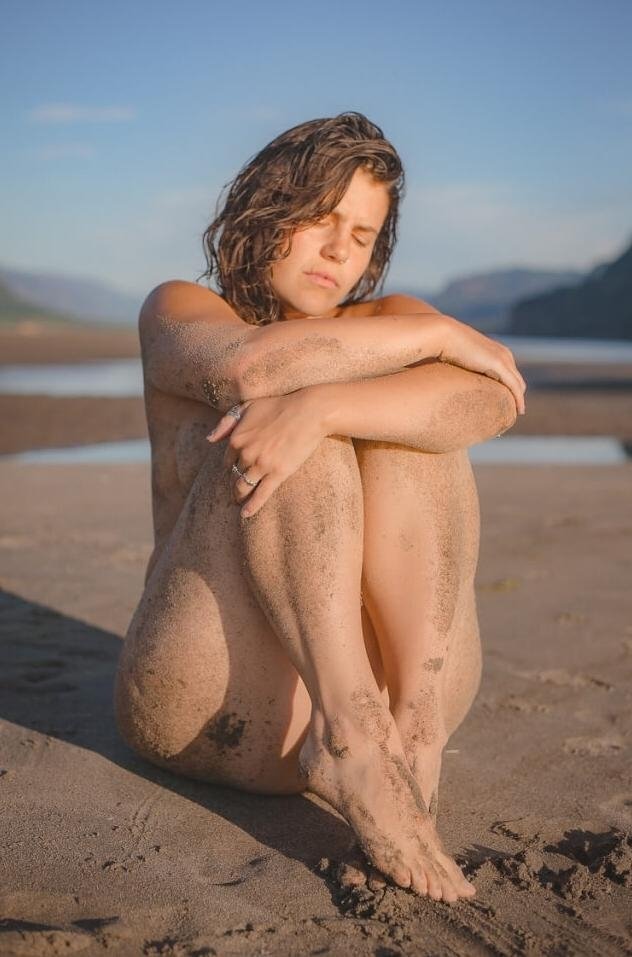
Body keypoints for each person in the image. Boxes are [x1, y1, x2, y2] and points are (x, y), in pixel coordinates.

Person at [114, 111, 526, 904]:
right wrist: (435, 333)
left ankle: (406, 726)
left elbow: (492, 399)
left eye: (365, 235)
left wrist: (331, 408)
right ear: (267, 206)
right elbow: (250, 367)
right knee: (282, 416)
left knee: (392, 432)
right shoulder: (180, 308)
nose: (342, 252)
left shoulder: (380, 322)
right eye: (321, 219)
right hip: (214, 699)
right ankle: (349, 735)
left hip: (414, 700)